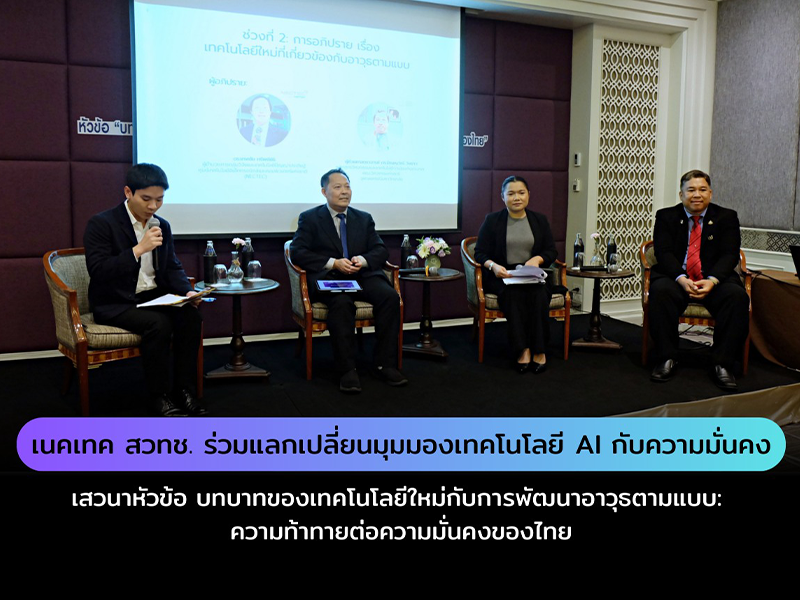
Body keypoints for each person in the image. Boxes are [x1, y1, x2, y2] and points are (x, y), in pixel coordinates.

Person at [83, 163, 206, 416]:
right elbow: (99, 270)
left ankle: (184, 390)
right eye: (146, 199)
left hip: (152, 296)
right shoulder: (102, 223)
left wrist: (188, 292)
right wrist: (138, 250)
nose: (153, 206)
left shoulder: (162, 225)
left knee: (190, 316)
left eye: (159, 199)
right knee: (158, 324)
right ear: (128, 192)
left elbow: (171, 266)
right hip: (115, 302)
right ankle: (159, 396)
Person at [290, 168, 406, 393]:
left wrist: (362, 260)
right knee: (342, 303)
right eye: (337, 187)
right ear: (324, 192)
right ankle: (347, 369)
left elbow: (380, 250)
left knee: (390, 297)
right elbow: (298, 252)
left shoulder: (363, 218)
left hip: (362, 276)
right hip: (330, 278)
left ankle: (384, 364)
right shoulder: (310, 218)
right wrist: (333, 263)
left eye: (347, 187)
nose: (344, 192)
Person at [648, 169, 750, 391]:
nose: (697, 194)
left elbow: (729, 254)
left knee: (737, 297)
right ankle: (667, 357)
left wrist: (712, 280)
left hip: (714, 280)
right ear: (681, 194)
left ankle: (722, 363)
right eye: (691, 190)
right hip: (676, 278)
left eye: (702, 189)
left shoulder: (726, 217)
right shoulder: (666, 216)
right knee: (660, 291)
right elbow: (663, 252)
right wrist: (681, 278)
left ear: (710, 193)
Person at [474, 175, 557, 373]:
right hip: (504, 275)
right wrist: (493, 266)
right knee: (513, 295)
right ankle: (523, 350)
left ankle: (540, 350)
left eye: (521, 193)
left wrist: (538, 259)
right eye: (511, 194)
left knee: (539, 294)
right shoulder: (492, 220)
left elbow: (551, 251)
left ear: (528, 195)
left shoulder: (539, 220)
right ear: (502, 197)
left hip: (533, 275)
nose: (516, 198)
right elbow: (479, 252)